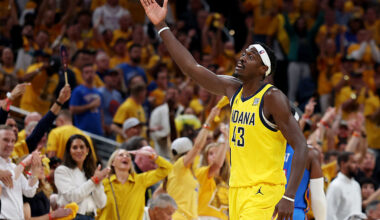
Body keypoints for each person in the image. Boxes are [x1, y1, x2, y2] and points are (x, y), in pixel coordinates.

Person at [140, 1, 308, 219]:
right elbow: (192, 68)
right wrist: (162, 25)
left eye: (250, 57)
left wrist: (289, 196)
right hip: (236, 188)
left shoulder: (272, 97)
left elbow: (301, 145)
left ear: (263, 69)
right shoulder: (232, 88)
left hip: (264, 190)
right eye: (243, 53)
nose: (242, 58)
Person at [96, 147, 172, 220]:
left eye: (128, 156)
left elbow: (168, 169)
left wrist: (152, 156)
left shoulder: (141, 180)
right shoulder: (104, 183)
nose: (125, 157)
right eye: (121, 155)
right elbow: (97, 211)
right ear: (113, 162)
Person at [54, 134, 109, 220]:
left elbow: (101, 203)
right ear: (69, 151)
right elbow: (72, 197)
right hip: (72, 217)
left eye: (82, 147)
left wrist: (97, 183)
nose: (79, 150)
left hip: (91, 217)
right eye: (75, 147)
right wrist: (93, 180)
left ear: (87, 150)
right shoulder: (62, 171)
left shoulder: (91, 172)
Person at [0, 128, 40, 219]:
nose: (10, 144)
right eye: (6, 140)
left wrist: (34, 170)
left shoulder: (14, 167)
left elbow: (29, 191)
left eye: (13, 141)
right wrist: (23, 163)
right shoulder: (17, 168)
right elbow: (8, 180)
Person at [196, 124, 230, 220]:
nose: (214, 156)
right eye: (211, 153)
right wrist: (225, 139)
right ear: (206, 158)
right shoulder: (202, 173)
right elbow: (216, 165)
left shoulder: (227, 183)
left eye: (217, 152)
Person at [69, 64, 104, 136]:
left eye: (91, 72)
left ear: (95, 74)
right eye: (87, 72)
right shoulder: (78, 90)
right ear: (82, 75)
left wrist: (102, 127)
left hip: (98, 131)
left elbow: (101, 111)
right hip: (83, 131)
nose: (90, 75)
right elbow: (72, 109)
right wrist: (90, 106)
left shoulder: (98, 92)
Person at [326, 152, 362, 220]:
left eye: (357, 163)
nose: (357, 166)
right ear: (343, 164)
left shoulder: (356, 185)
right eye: (353, 162)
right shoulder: (335, 185)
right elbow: (329, 214)